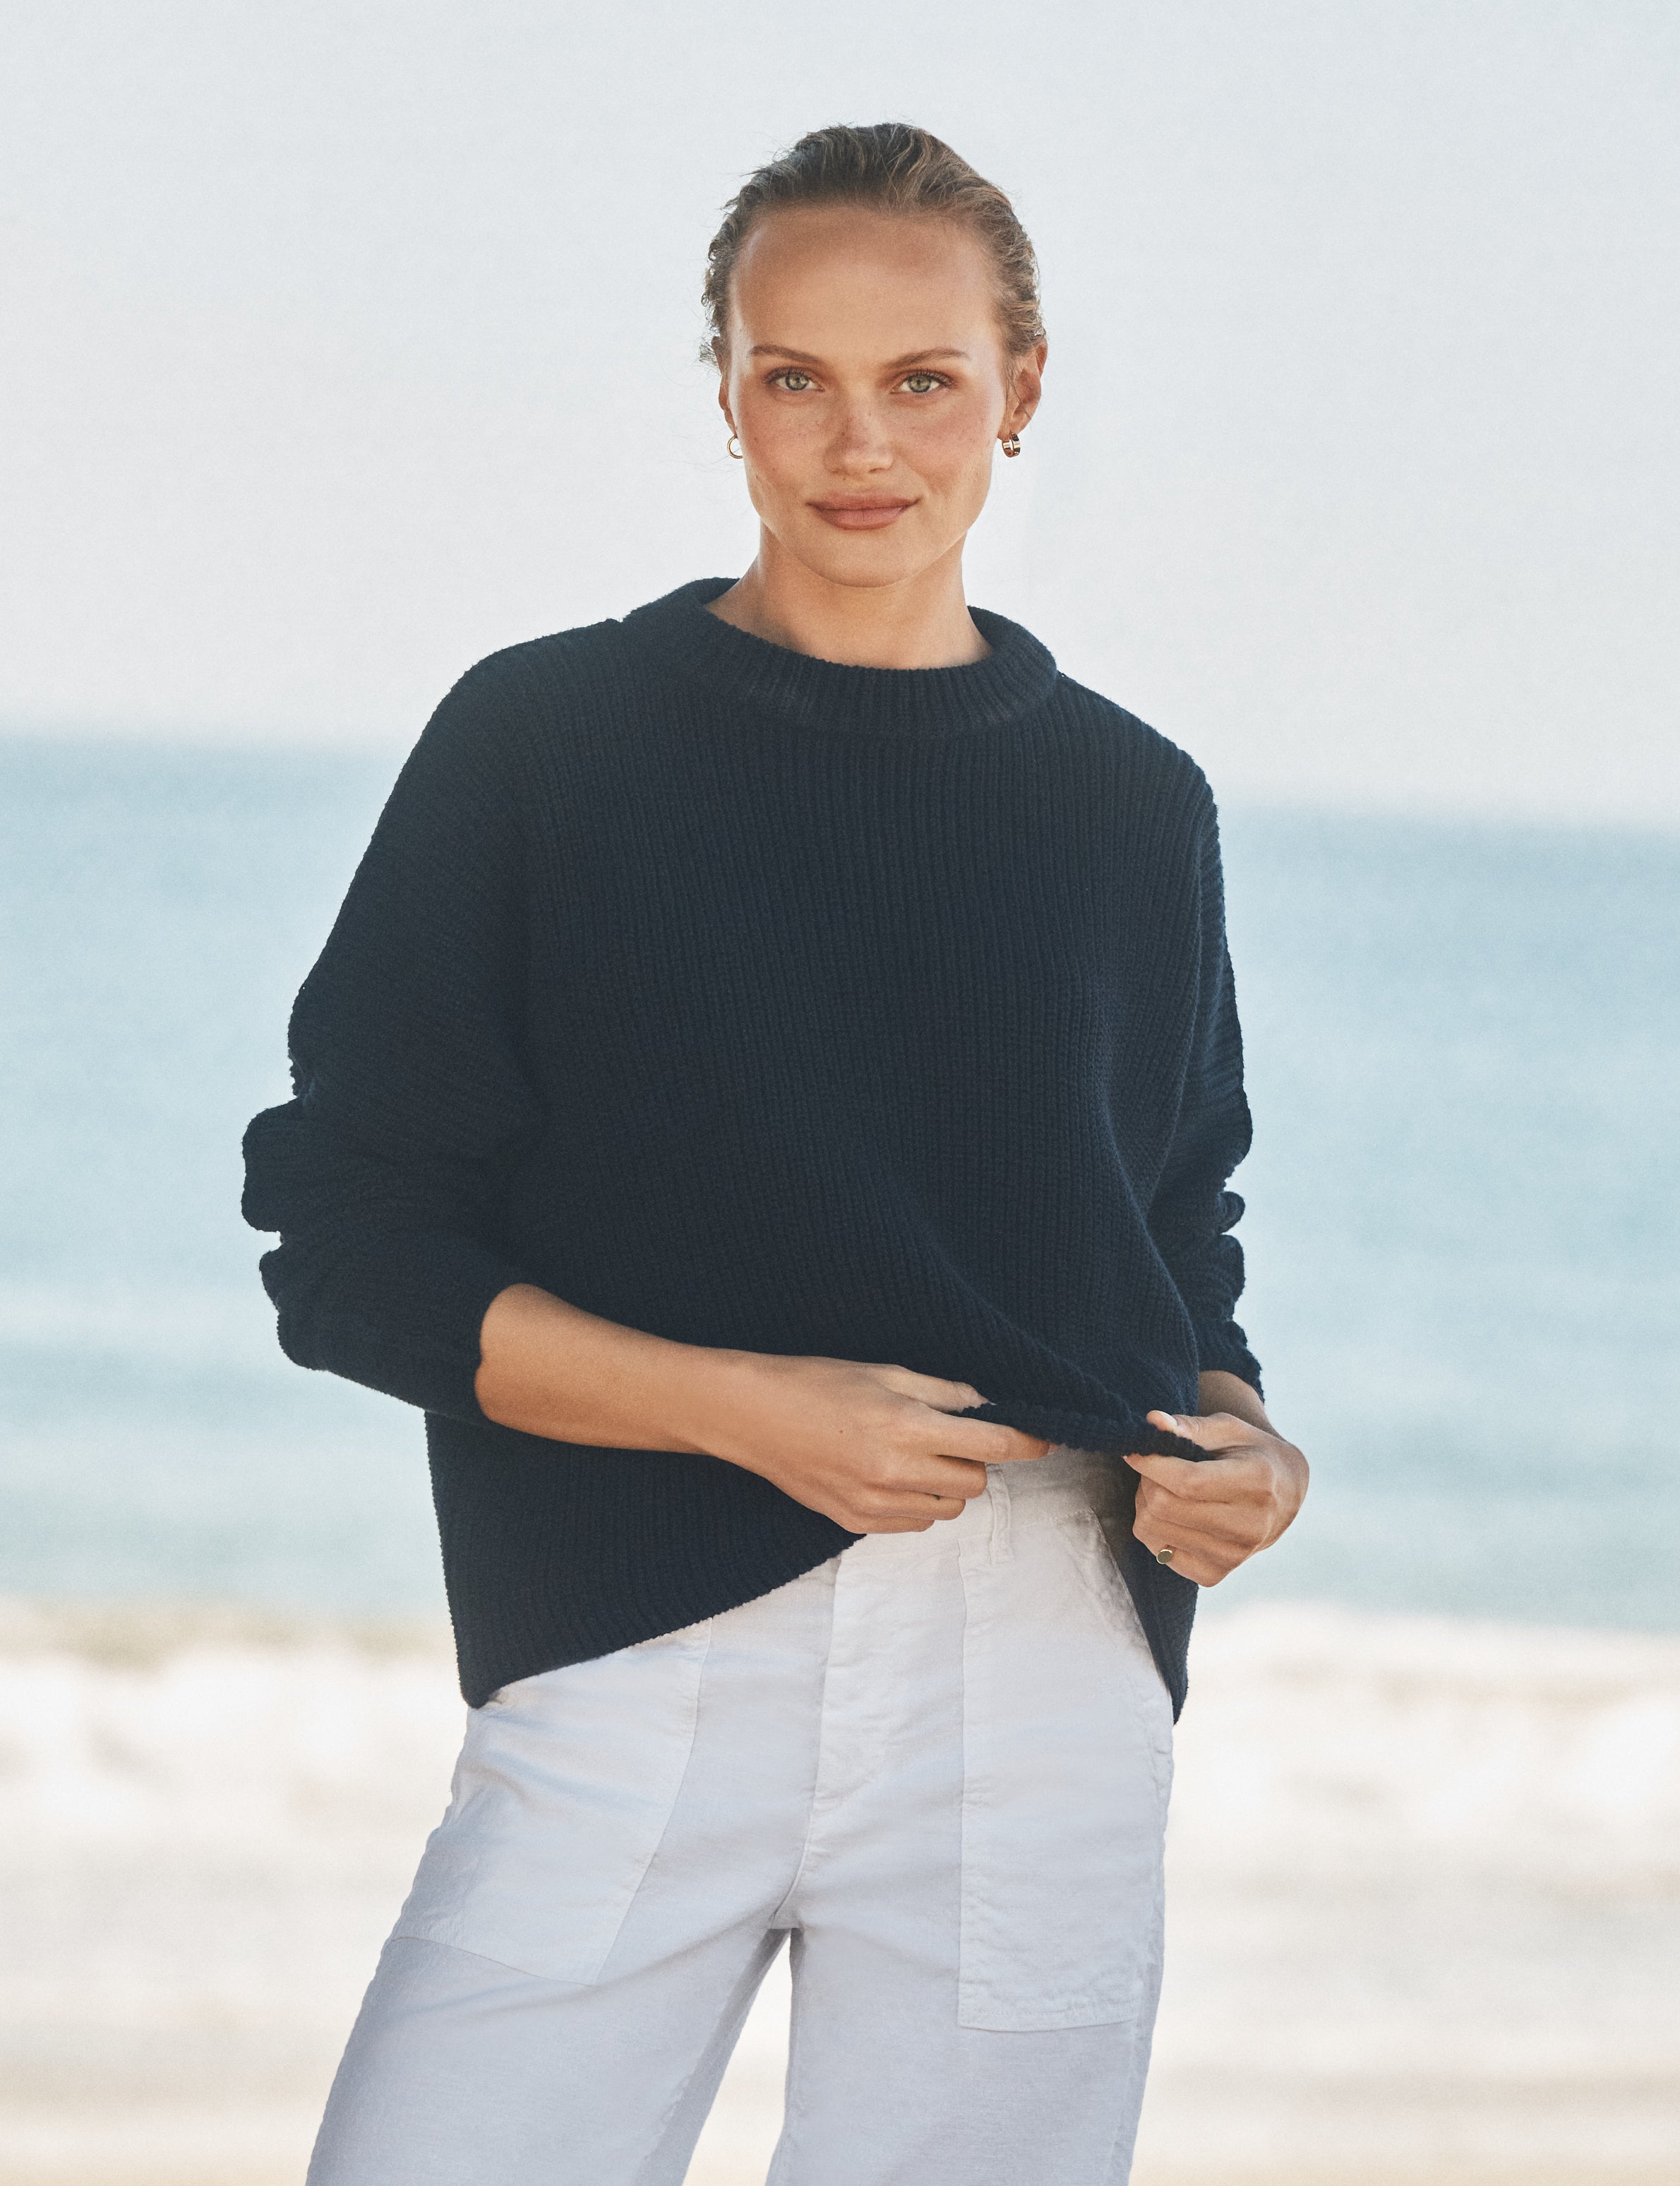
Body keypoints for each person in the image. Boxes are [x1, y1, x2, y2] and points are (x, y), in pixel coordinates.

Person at [243, 120, 1308, 2186]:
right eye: (791, 374)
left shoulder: (1129, 805)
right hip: (637, 1658)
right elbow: (346, 1244)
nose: (858, 442)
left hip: (1043, 1680)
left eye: (920, 378)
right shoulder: (544, 743)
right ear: (722, 387)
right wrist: (743, 1414)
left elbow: (1178, 1228)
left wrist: (1245, 1441)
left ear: (1019, 386)